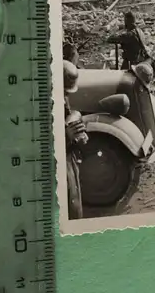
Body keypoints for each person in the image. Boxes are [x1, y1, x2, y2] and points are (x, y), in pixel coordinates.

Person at [63, 60, 88, 220]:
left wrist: (79, 134)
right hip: (58, 166)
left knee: (75, 203)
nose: (66, 96)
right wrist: (67, 136)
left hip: (69, 159)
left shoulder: (61, 99)